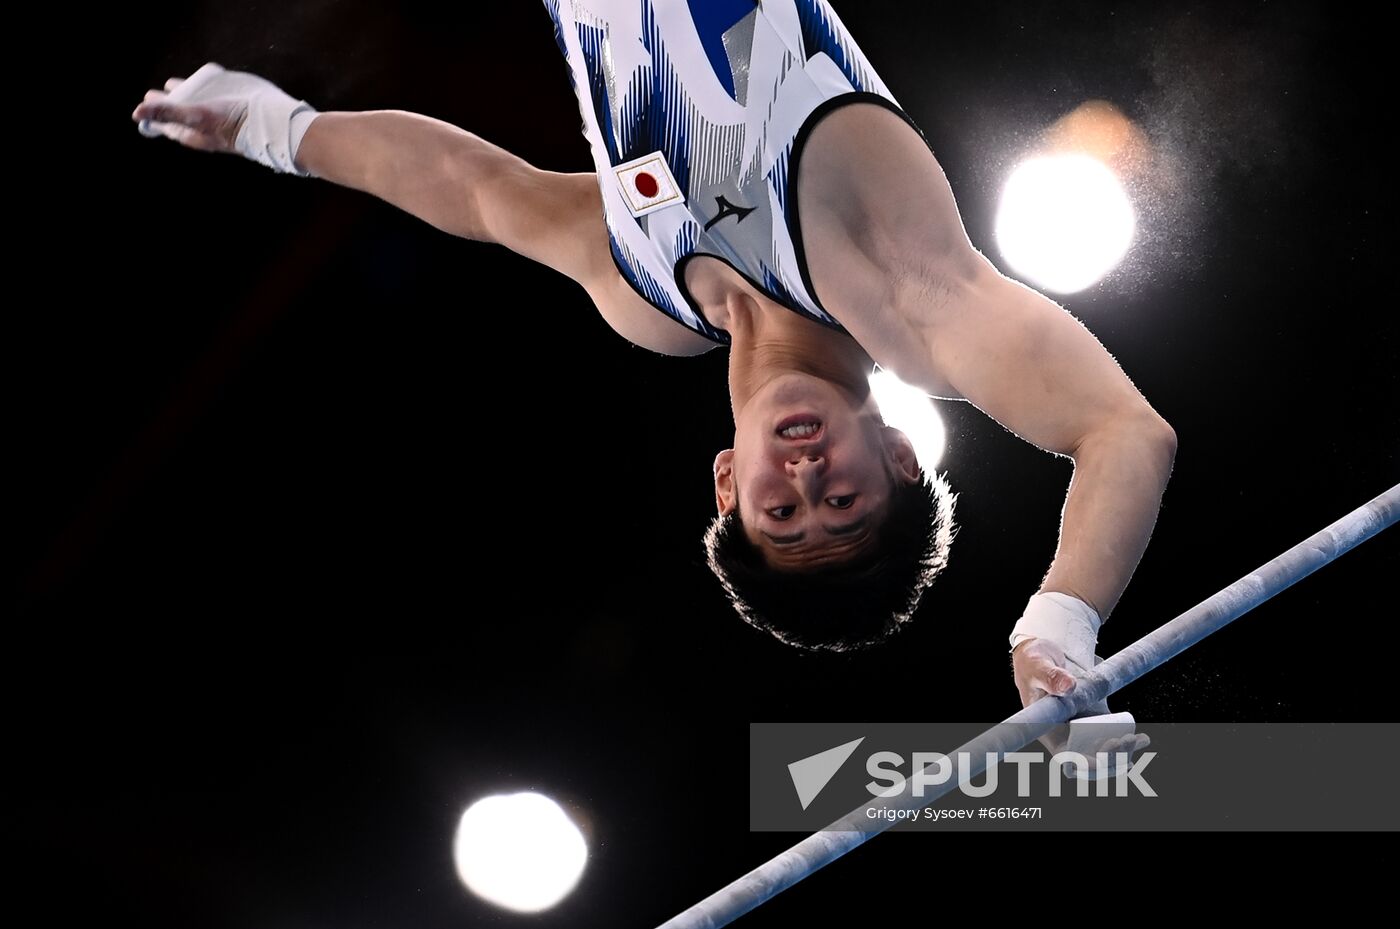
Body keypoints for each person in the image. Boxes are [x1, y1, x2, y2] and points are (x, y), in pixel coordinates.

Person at [130, 1, 1176, 732]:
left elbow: (474, 188)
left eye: (780, 516)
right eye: (844, 501)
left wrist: (272, 129)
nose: (805, 481)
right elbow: (1123, 432)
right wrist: (1057, 620)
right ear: (897, 451)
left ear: (725, 482)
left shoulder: (647, 299)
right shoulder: (904, 297)